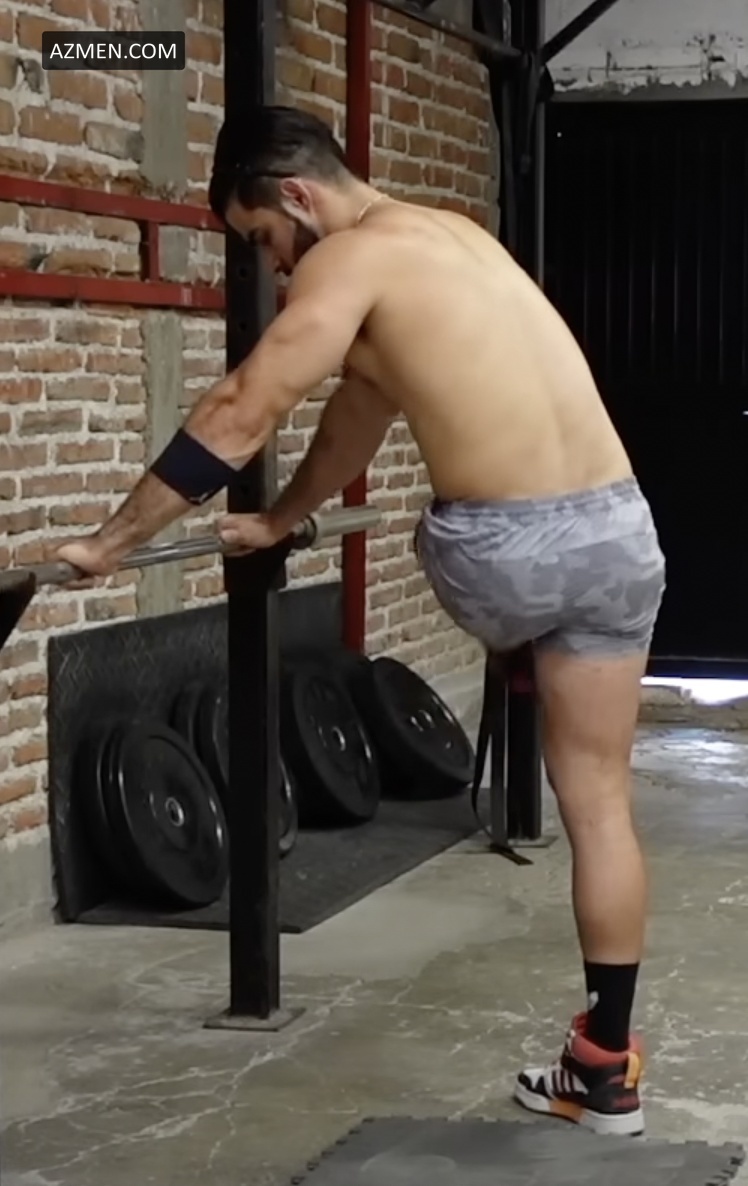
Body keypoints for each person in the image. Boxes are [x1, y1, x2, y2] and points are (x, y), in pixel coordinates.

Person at [56, 105, 665, 1137]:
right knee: (599, 803)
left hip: (503, 556)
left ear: (298, 196)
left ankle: (516, 643)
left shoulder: (348, 259)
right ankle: (605, 1071)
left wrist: (110, 542)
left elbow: (242, 408)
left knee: (460, 534)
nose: (276, 265)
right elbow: (358, 411)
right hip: (621, 534)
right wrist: (283, 518)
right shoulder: (455, 238)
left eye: (264, 238)